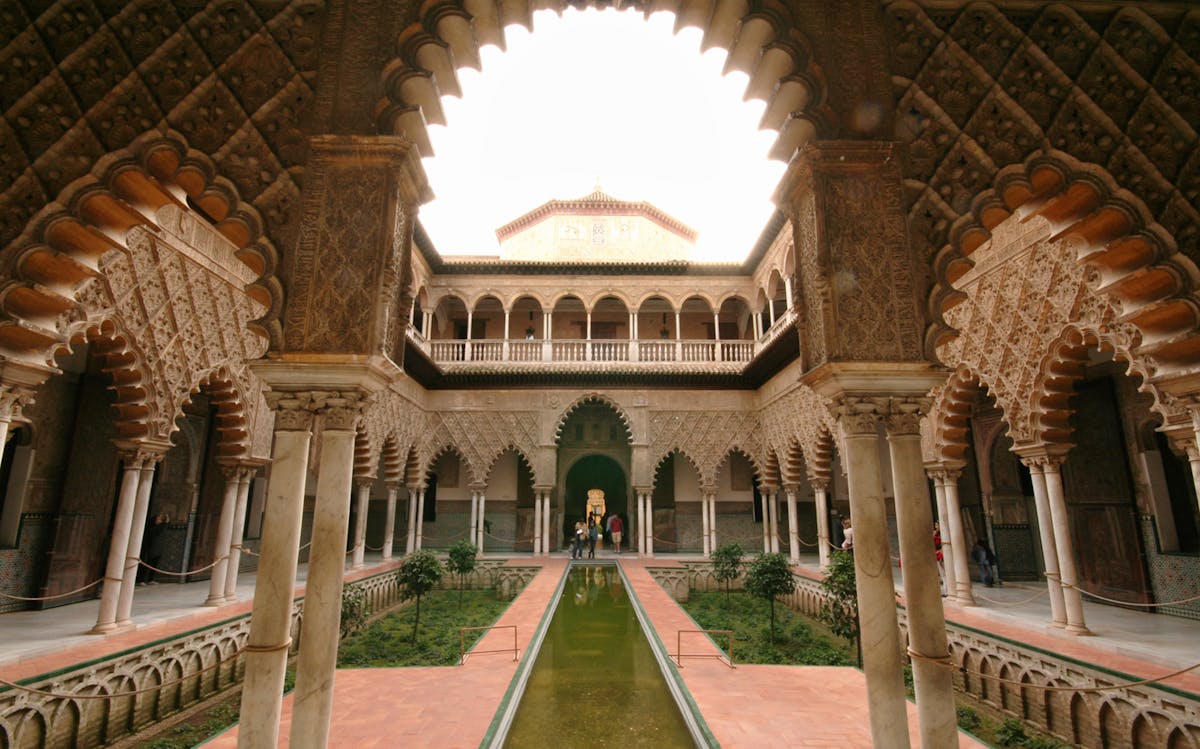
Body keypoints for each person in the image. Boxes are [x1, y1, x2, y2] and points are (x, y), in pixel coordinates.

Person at [139, 513, 169, 585]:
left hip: (156, 549)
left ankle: (150, 579)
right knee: (146, 564)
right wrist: (165, 523)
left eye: (160, 519)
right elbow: (155, 531)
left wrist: (166, 522)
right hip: (149, 548)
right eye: (158, 519)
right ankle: (141, 579)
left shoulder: (161, 527)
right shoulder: (151, 527)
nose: (159, 520)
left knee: (154, 564)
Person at [933, 522, 947, 596]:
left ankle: (947, 591)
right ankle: (945, 591)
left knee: (944, 575)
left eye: (937, 525)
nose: (936, 527)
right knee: (942, 575)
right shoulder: (935, 534)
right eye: (935, 525)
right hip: (939, 555)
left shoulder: (944, 533)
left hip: (942, 555)